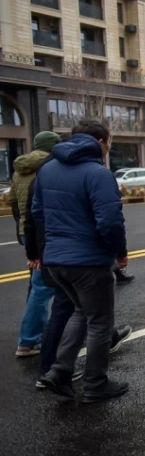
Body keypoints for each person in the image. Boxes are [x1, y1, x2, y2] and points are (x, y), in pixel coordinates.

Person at [22, 139, 133, 388]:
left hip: (55, 258)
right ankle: (95, 383)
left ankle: (59, 370)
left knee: (81, 312)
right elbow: (111, 221)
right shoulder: (98, 174)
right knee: (100, 322)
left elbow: (37, 212)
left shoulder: (47, 171)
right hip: (88, 261)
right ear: (100, 146)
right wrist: (117, 252)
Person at [10, 131, 61, 357]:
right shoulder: (49, 167)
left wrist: (22, 226)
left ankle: (40, 332)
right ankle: (29, 340)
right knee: (44, 287)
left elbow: (13, 202)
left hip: (26, 231)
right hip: (43, 232)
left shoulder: (18, 169)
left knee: (38, 285)